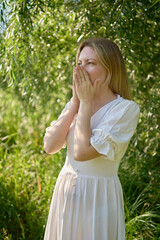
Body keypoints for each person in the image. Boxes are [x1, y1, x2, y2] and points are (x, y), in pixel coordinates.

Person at [43, 37, 140, 240]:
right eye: (79, 63)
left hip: (99, 198)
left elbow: (81, 152)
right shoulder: (76, 104)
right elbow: (50, 146)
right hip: (65, 194)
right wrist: (74, 102)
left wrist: (85, 103)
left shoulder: (125, 109)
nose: (81, 70)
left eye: (90, 63)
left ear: (110, 68)